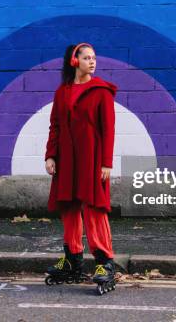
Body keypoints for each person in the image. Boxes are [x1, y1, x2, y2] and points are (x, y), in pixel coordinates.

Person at [44, 42, 118, 295]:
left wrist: (107, 162)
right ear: (74, 61)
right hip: (66, 160)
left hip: (92, 159)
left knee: (94, 208)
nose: (92, 62)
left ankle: (104, 263)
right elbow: (54, 125)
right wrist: (50, 155)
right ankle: (73, 259)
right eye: (87, 58)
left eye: (94, 58)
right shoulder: (62, 92)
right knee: (69, 207)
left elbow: (108, 130)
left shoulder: (101, 91)